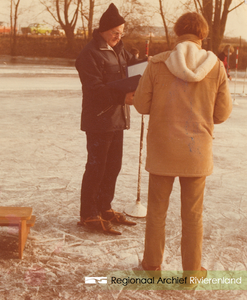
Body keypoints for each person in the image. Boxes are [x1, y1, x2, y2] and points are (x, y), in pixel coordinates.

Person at [133, 12, 232, 276]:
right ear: (203, 34)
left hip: (163, 149)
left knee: (156, 212)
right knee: (193, 215)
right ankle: (190, 272)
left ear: (178, 32)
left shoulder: (156, 64)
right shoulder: (216, 66)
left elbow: (141, 105)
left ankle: (152, 264)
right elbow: (222, 114)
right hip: (196, 152)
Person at [75, 3, 137, 235]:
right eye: (115, 32)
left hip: (118, 119)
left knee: (113, 166)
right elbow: (94, 89)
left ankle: (104, 207)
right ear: (103, 29)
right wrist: (123, 96)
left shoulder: (121, 50)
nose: (118, 36)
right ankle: (89, 213)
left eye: (121, 32)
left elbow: (134, 68)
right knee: (96, 167)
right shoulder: (89, 54)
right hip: (99, 120)